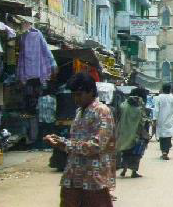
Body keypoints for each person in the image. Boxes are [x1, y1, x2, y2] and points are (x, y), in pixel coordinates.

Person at [44, 73, 115, 207]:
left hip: (93, 179)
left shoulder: (102, 111)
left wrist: (65, 144)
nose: (76, 98)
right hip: (73, 175)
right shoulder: (79, 112)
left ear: (91, 92)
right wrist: (58, 141)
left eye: (79, 94)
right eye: (74, 95)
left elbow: (96, 146)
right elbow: (76, 141)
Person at [115, 88, 149, 178]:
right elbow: (143, 120)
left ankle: (124, 169)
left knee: (126, 152)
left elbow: (118, 118)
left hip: (124, 133)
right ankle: (134, 172)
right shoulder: (140, 106)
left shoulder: (123, 105)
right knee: (137, 153)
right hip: (136, 133)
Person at [154, 83, 173, 160]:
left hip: (160, 119)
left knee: (161, 136)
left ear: (162, 89)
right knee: (168, 136)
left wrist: (154, 119)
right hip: (170, 119)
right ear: (170, 89)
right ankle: (166, 152)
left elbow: (156, 110)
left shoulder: (158, 98)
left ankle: (163, 151)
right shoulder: (172, 97)